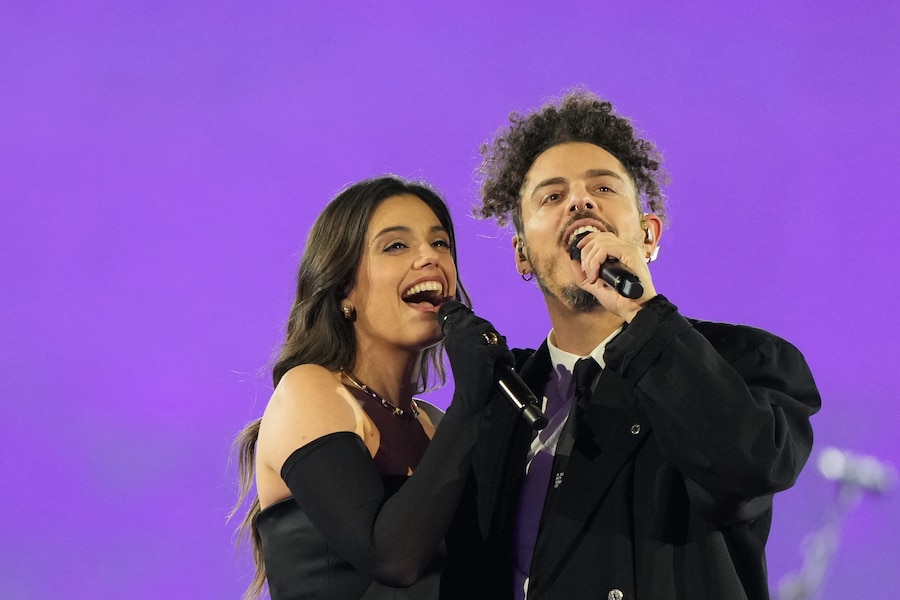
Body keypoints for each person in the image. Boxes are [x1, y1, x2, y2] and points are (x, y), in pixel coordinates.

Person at [440, 91, 822, 600]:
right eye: (552, 197)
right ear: (522, 255)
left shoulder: (746, 363)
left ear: (648, 235)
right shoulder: (498, 403)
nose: (580, 201)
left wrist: (643, 314)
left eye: (603, 187)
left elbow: (749, 467)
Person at [231, 176, 511, 600]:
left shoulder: (435, 425)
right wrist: (471, 402)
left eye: (440, 244)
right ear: (345, 289)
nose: (429, 258)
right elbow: (393, 559)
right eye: (396, 246)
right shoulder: (309, 392)